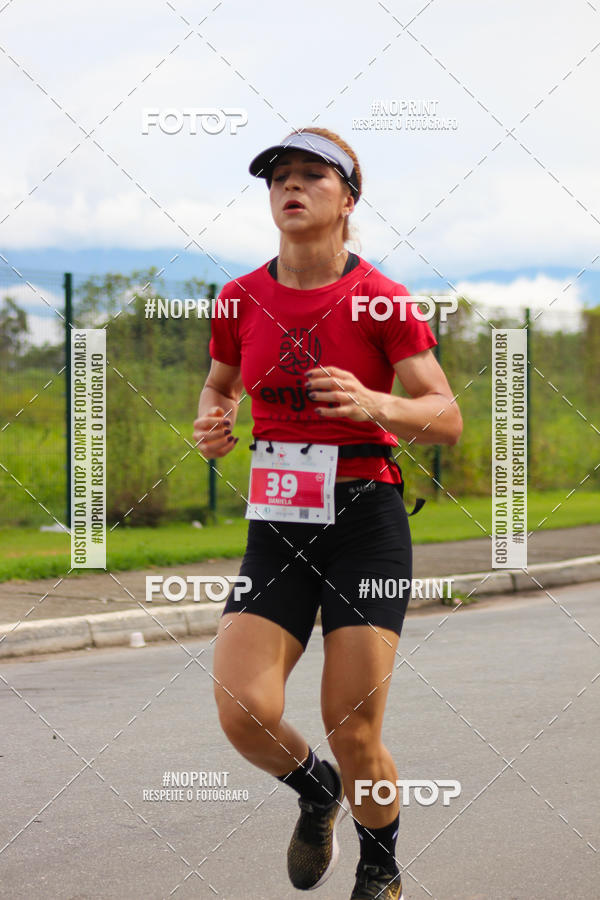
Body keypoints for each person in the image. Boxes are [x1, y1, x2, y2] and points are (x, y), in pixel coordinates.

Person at [192, 128, 463, 900]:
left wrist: (375, 402)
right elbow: (219, 385)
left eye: (313, 174)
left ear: (348, 198)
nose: (291, 185)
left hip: (365, 522)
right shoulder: (239, 298)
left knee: (353, 726)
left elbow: (445, 416)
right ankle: (317, 792)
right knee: (243, 708)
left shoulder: (381, 298)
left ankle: (380, 867)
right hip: (279, 522)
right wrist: (213, 420)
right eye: (279, 175)